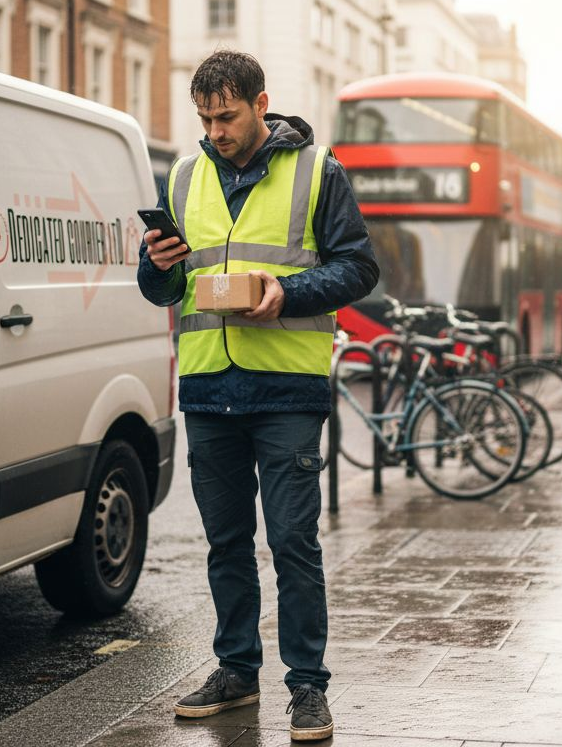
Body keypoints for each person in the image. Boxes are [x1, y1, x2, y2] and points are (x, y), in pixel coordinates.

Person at [136, 50, 377, 743]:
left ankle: (307, 687)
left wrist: (287, 293)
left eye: (229, 116)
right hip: (210, 388)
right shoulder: (183, 176)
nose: (216, 130)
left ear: (261, 104)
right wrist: (155, 269)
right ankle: (236, 672)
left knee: (294, 542)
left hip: (287, 391)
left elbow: (359, 267)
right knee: (226, 543)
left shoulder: (317, 170)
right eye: (206, 118)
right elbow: (164, 289)